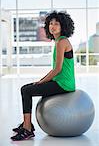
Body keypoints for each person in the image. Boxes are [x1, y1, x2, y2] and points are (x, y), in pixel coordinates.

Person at [11, 10, 76, 141]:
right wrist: (41, 81)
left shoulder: (62, 42)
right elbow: (55, 69)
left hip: (63, 84)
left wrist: (41, 82)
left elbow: (57, 69)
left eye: (56, 23)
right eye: (50, 23)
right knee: (29, 87)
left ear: (63, 26)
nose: (53, 26)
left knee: (26, 90)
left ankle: (27, 129)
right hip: (60, 81)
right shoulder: (59, 41)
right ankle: (26, 124)